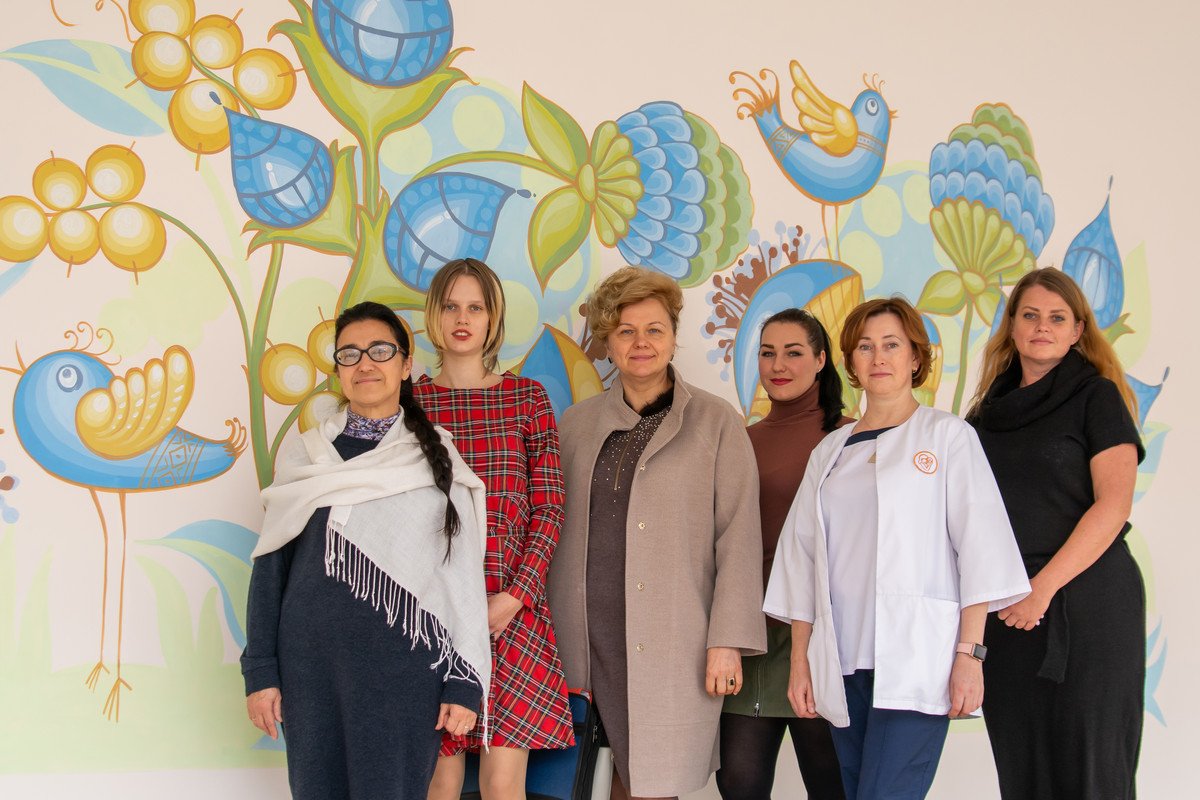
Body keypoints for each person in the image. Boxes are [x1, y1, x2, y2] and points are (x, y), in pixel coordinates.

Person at [764, 296, 1030, 800]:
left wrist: (970, 655)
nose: (878, 357)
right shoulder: (829, 451)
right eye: (865, 347)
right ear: (851, 361)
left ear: (915, 357)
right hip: (842, 661)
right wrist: (800, 661)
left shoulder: (948, 437)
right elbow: (801, 561)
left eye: (891, 345)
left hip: (918, 660)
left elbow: (980, 552)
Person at [241, 301, 491, 799]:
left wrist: (463, 683)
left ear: (405, 364)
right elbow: (271, 568)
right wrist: (260, 673)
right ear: (338, 370)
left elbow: (460, 578)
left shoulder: (436, 461)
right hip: (310, 673)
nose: (364, 364)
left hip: (404, 678)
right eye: (349, 354)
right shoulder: (306, 456)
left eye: (380, 350)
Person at [548, 266, 767, 800]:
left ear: (672, 337)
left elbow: (738, 537)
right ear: (608, 342)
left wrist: (726, 641)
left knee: (653, 784)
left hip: (673, 640)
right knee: (582, 782)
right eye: (625, 331)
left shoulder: (716, 422)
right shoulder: (574, 425)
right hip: (583, 641)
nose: (640, 343)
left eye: (654, 330)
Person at [967, 268, 1145, 799]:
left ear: (1077, 330)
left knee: (1090, 770)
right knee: (1023, 768)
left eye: (1057, 317)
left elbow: (1113, 505)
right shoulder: (983, 416)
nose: (1042, 326)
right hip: (1008, 613)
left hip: (1086, 606)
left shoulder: (1097, 397)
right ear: (1012, 325)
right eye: (1030, 315)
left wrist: (1041, 589)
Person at [416, 258, 575, 800]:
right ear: (434, 316)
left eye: (475, 307)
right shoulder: (410, 404)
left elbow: (549, 508)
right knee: (439, 779)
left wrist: (514, 597)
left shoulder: (527, 399)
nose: (463, 319)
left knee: (504, 784)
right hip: (432, 617)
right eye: (451, 306)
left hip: (511, 612)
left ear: (493, 318)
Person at [716, 308, 849, 800]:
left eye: (793, 352)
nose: (778, 365)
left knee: (830, 783)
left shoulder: (850, 439)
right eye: (768, 353)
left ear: (820, 360)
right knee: (739, 783)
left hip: (821, 636)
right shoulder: (741, 441)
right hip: (753, 633)